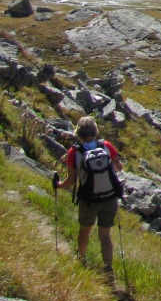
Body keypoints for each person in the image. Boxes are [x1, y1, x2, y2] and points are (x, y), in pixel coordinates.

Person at [53, 116, 124, 275]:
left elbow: (71, 180)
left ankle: (81, 259)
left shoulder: (74, 152)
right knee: (105, 235)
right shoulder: (105, 146)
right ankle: (108, 269)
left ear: (78, 132)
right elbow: (119, 167)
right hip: (109, 198)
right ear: (95, 130)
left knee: (84, 230)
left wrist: (58, 185)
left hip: (89, 200)